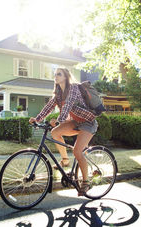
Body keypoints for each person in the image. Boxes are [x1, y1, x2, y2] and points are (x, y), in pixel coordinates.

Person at [29, 67, 98, 196]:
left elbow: (68, 105)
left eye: (59, 74)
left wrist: (60, 120)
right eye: (54, 74)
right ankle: (65, 160)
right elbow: (49, 106)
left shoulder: (73, 88)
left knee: (77, 151)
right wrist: (37, 119)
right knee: (55, 132)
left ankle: (86, 182)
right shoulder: (58, 93)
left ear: (65, 77)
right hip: (76, 122)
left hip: (88, 123)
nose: (56, 76)